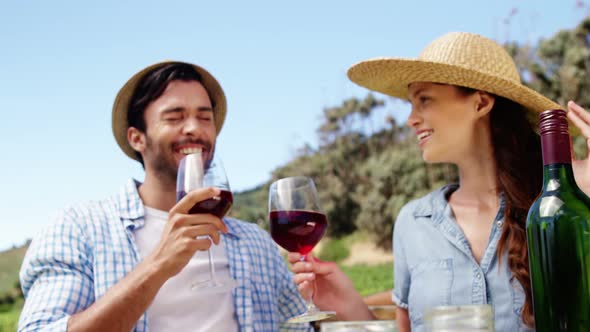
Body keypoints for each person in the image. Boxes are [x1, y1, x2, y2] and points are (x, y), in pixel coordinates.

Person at [288, 32, 590, 331]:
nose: (411, 119)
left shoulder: (557, 210)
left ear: (481, 103)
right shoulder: (413, 222)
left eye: (424, 100)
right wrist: (349, 306)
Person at [18, 61, 312, 332]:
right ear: (137, 138)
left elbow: (302, 327)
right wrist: (158, 265)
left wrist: (342, 305)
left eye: (204, 117)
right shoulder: (78, 228)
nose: (194, 128)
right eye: (175, 117)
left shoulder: (255, 243)